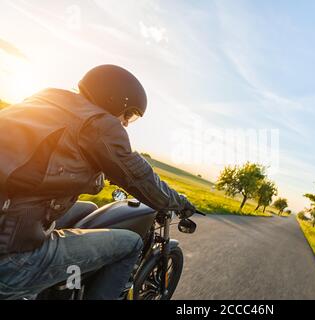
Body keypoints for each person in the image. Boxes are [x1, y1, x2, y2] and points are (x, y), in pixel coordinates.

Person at [0, 65, 195, 299]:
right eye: (129, 114)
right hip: (12, 259)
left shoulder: (47, 98)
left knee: (90, 209)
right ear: (113, 100)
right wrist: (180, 203)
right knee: (130, 244)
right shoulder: (100, 124)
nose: (125, 122)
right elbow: (141, 178)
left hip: (11, 213)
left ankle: (64, 287)